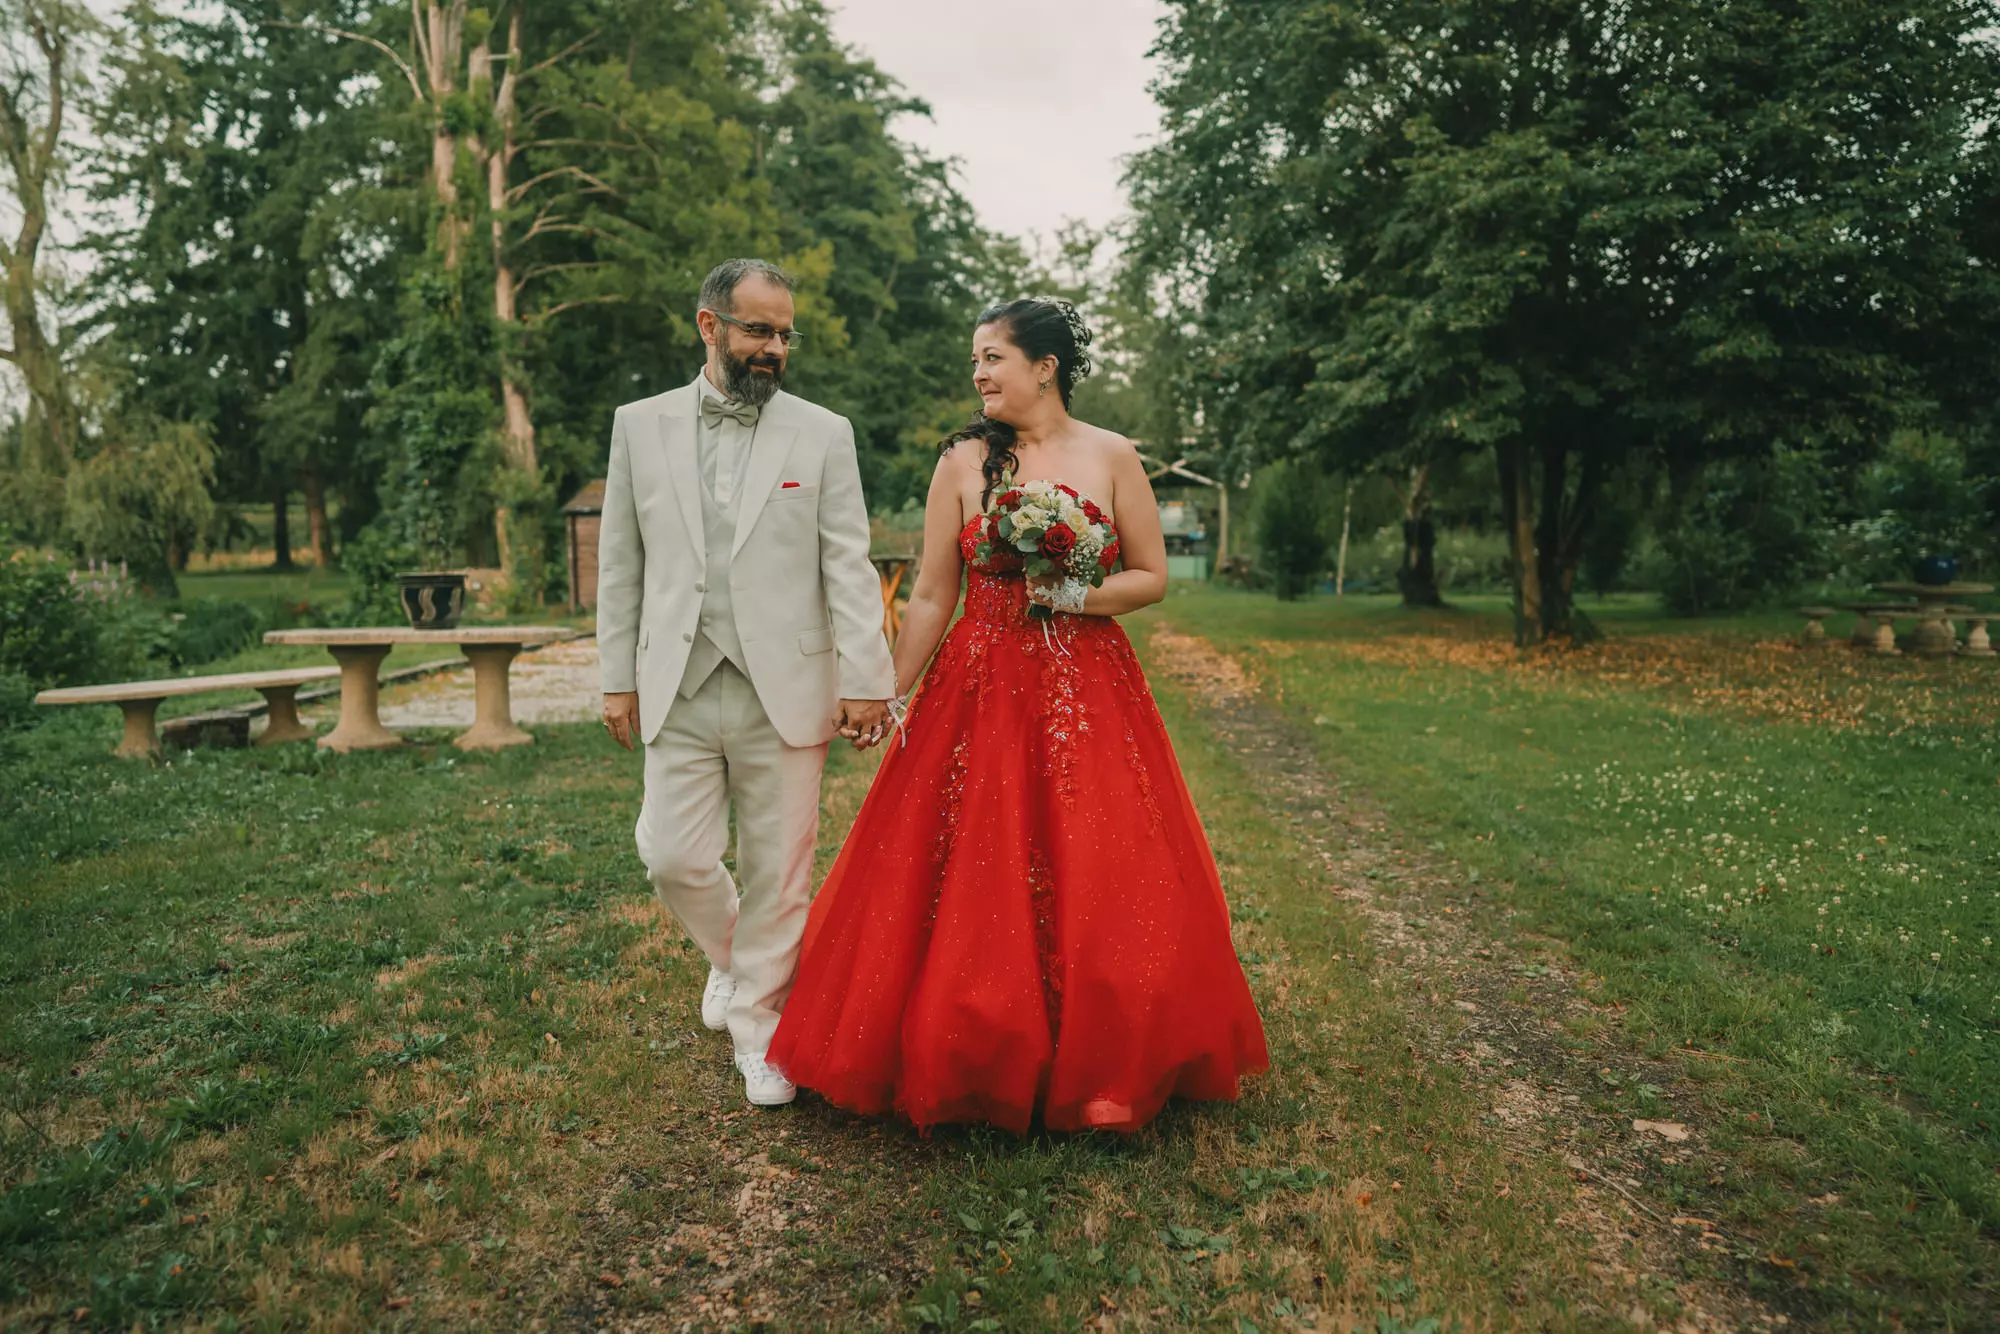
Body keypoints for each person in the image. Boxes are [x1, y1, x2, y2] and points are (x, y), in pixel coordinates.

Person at [767, 298, 1269, 1133]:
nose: (979, 374)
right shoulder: (963, 462)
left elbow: (1149, 575)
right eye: (976, 359)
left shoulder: (1111, 455)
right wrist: (891, 692)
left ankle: (1109, 1062)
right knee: (969, 857)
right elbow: (931, 594)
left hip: (1086, 683)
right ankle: (966, 1043)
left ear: (1046, 367)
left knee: (1098, 856)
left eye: (994, 357)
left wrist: (1073, 591)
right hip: (980, 681)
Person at [596, 258, 896, 1108]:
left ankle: (762, 1030)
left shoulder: (823, 432)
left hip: (788, 685)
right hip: (679, 680)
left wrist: (868, 677)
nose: (773, 348)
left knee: (779, 871)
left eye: (784, 334)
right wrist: (617, 676)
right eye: (758, 330)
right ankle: (733, 959)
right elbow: (621, 563)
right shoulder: (638, 425)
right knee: (672, 855)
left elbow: (846, 563)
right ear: (709, 326)